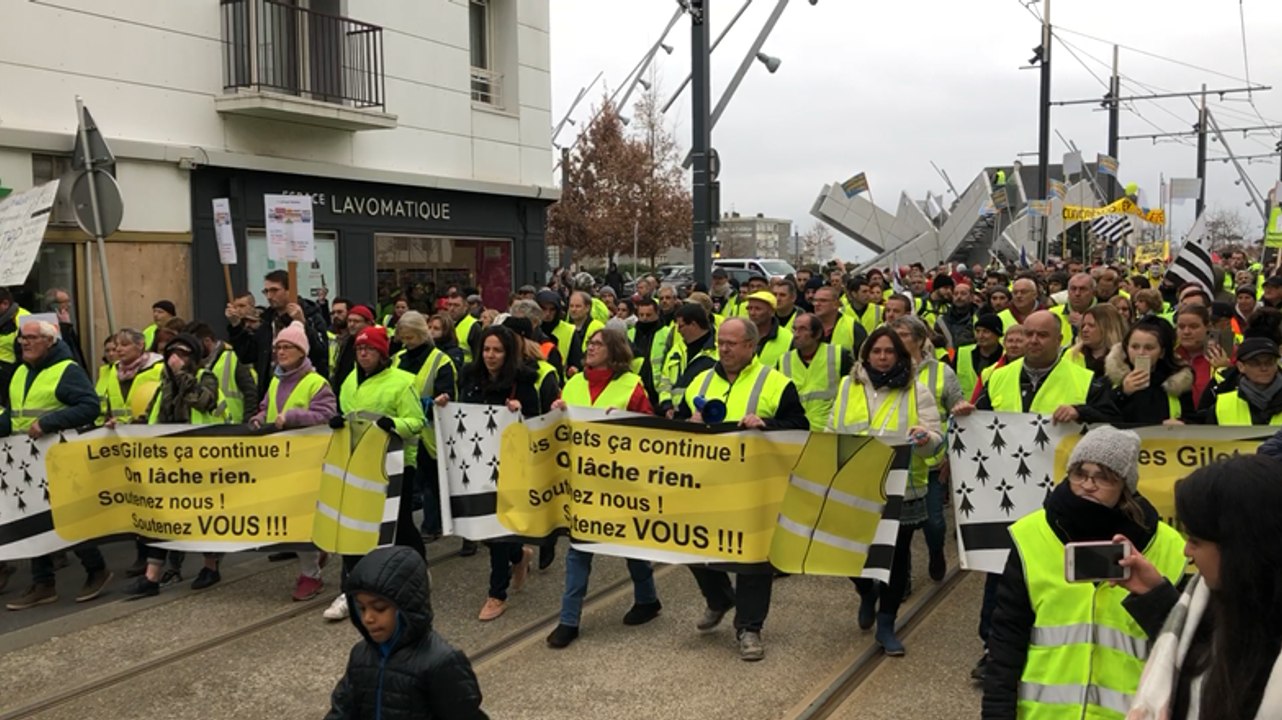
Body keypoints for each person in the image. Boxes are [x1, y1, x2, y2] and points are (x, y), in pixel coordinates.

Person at [982, 427, 1187, 720]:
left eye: (1104, 477)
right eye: (1080, 473)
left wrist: (1154, 595)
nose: (1089, 485)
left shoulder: (1168, 546)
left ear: (1125, 486)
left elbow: (1187, 646)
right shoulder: (1031, 535)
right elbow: (1006, 637)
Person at [678, 317, 809, 661]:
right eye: (720, 342)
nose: (723, 349)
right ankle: (720, 599)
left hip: (755, 488)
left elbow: (800, 427)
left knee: (752, 561)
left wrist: (767, 424)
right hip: (707, 483)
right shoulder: (701, 380)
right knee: (691, 548)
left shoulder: (776, 383)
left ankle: (749, 628)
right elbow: (676, 427)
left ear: (751, 346)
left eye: (731, 343)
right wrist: (687, 423)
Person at [1121, 455, 1282, 719]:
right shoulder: (1214, 603)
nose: (1186, 551)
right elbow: (1196, 656)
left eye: (1195, 541)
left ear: (1242, 548)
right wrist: (1154, 595)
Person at [828, 326, 943, 656]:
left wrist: (925, 439)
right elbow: (833, 430)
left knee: (896, 559)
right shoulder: (849, 388)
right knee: (848, 554)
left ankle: (886, 624)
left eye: (889, 352)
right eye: (876, 351)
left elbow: (934, 439)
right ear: (866, 355)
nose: (882, 357)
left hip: (901, 489)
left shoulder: (917, 391)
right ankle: (866, 590)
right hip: (856, 485)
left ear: (900, 356)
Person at [545, 328, 661, 649]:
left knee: (627, 543)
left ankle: (647, 599)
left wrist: (628, 419)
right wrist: (556, 413)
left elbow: (651, 429)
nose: (590, 348)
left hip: (621, 480)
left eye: (598, 344)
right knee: (579, 550)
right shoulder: (573, 383)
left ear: (614, 350)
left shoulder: (631, 386)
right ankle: (569, 619)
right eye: (590, 344)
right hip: (583, 480)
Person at [438, 326, 556, 622]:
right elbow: (463, 412)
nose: (491, 356)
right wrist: (444, 404)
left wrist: (521, 413)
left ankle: (496, 593)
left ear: (509, 353)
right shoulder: (469, 376)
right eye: (487, 350)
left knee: (497, 528)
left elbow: (537, 424)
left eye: (498, 350)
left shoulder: (524, 382)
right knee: (485, 528)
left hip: (511, 467)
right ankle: (519, 555)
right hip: (477, 466)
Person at [3, 320, 111, 610]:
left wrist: (49, 422)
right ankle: (43, 584)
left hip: (60, 456)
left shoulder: (67, 370)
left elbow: (90, 406)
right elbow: (16, 415)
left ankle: (96, 569)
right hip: (26, 457)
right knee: (33, 520)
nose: (25, 343)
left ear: (49, 342)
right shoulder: (21, 371)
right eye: (22, 338)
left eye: (32, 338)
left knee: (68, 519)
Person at [322, 326, 426, 621]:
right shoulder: (349, 381)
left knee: (400, 526)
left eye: (369, 349)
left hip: (396, 465)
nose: (363, 354)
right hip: (357, 465)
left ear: (383, 354)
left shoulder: (402, 382)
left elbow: (416, 420)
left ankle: (417, 571)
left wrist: (392, 424)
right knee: (354, 527)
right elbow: (347, 413)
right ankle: (351, 589)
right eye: (359, 349)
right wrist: (338, 422)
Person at [324, 546, 487, 720]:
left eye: (379, 608)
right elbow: (342, 708)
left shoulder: (441, 662)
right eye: (361, 608)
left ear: (406, 607)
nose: (368, 618)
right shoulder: (361, 654)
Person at [125, 333, 222, 597]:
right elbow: (152, 415)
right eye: (171, 353)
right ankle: (151, 576)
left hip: (198, 461)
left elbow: (206, 402)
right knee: (161, 516)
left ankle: (210, 566)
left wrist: (183, 378)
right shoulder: (162, 385)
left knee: (202, 515)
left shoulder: (204, 378)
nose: (175, 358)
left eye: (182, 353)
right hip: (165, 462)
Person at [249, 321, 338, 600]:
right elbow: (267, 408)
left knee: (304, 518)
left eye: (287, 346)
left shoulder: (316, 382)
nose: (281, 351)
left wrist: (294, 417)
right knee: (292, 517)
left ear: (302, 351)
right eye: (278, 347)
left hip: (309, 463)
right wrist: (258, 419)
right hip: (283, 464)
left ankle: (310, 575)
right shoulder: (276, 381)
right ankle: (315, 558)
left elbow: (327, 416)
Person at [889, 316, 963, 583]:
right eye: (893, 334)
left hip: (931, 459)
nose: (897, 340)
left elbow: (957, 414)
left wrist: (950, 456)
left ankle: (936, 552)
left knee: (934, 522)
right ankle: (902, 579)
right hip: (895, 462)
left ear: (921, 340)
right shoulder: (885, 370)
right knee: (898, 529)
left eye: (904, 335)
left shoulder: (942, 372)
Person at [228, 271, 329, 399]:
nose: (269, 296)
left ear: (289, 290)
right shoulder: (267, 321)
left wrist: (302, 323)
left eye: (274, 290)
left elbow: (320, 353)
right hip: (272, 394)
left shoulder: (311, 316)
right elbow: (248, 355)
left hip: (304, 393)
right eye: (266, 291)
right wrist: (236, 327)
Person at [1105, 318, 1195, 424]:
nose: (1141, 353)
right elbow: (1097, 415)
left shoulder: (1178, 382)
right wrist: (1122, 392)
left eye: (1149, 348)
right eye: (1135, 347)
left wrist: (1181, 423)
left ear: (1162, 352)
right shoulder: (1112, 379)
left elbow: (1193, 418)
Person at [779, 313, 854, 430]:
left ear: (817, 333)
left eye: (803, 329)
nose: (796, 334)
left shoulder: (839, 355)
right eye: (794, 329)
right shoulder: (783, 360)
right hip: (796, 430)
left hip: (829, 430)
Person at [656, 303, 718, 419]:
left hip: (703, 418)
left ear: (694, 324)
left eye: (681, 326)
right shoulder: (676, 350)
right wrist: (666, 404)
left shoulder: (717, 352)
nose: (678, 331)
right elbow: (664, 381)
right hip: (675, 417)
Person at [189, 322, 258, 425]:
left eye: (195, 345)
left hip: (234, 426)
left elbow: (251, 393)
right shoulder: (194, 364)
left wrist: (247, 423)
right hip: (205, 428)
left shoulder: (233, 358)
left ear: (207, 341)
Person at [1202, 336, 1282, 425]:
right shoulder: (1221, 406)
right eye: (1255, 363)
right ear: (1241, 366)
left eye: (1269, 362)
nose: (1264, 368)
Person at [100, 328, 164, 425]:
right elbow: (108, 405)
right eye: (117, 345)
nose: (118, 349)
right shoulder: (114, 369)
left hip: (149, 432)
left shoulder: (158, 368)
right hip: (118, 434)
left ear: (140, 345)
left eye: (125, 345)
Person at [1066, 304, 1127, 377]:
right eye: (1083, 325)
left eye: (1091, 325)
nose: (1084, 330)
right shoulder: (1071, 355)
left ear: (1108, 328)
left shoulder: (1125, 358)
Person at [954, 313, 1005, 400]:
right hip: (966, 408)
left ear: (997, 334)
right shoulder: (962, 352)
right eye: (977, 331)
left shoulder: (1006, 356)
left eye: (986, 331)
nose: (980, 336)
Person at [744, 291, 793, 368]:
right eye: (749, 308)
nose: (752, 313)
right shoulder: (740, 334)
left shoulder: (789, 338)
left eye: (758, 309)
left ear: (772, 312)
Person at [564, 291, 603, 375]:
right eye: (571, 306)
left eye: (578, 306)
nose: (573, 310)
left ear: (587, 308)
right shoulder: (566, 327)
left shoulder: (598, 327)